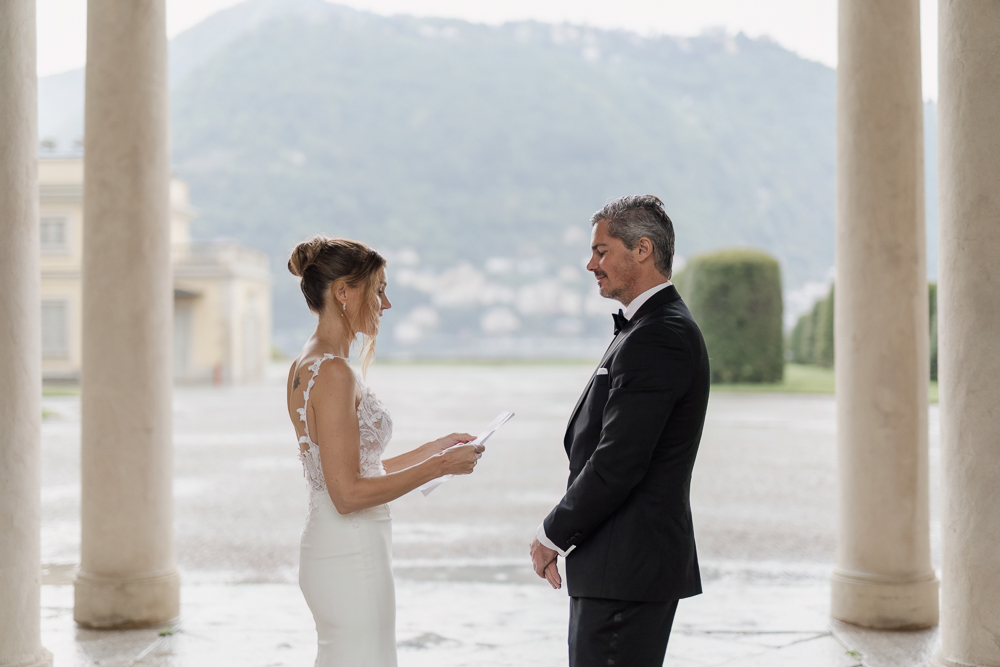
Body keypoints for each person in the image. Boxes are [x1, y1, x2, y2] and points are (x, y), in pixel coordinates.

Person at [285, 235, 485, 666]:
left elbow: (353, 469)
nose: (386, 303)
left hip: (338, 545)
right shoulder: (334, 372)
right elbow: (348, 494)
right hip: (351, 551)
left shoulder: (307, 362)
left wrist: (434, 448)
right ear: (343, 292)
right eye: (378, 289)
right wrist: (438, 467)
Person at [529, 195, 710, 667]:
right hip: (619, 568)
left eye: (602, 250)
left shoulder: (658, 334)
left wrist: (553, 533)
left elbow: (619, 460)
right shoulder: (647, 328)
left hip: (626, 569)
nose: (591, 263)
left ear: (643, 250)